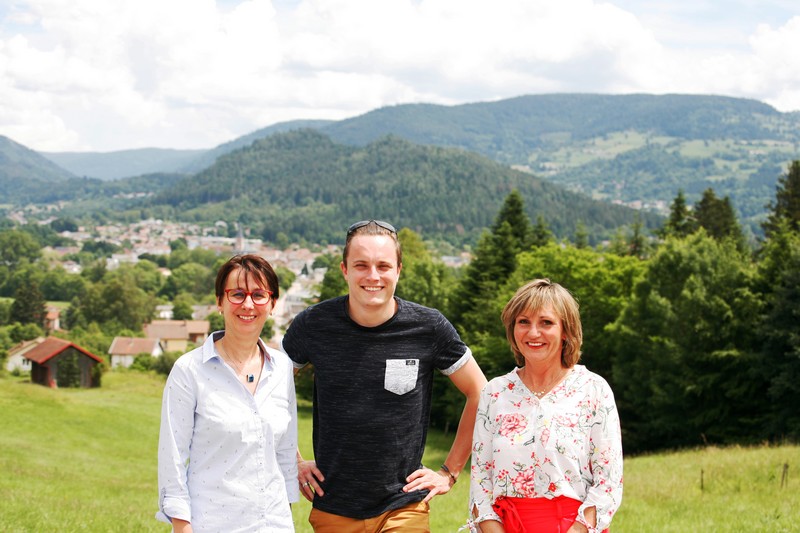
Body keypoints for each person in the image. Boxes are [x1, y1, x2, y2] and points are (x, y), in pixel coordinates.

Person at [281, 219, 487, 532]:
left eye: (383, 266)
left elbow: (482, 392)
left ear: (399, 270)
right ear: (344, 270)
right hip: (334, 506)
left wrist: (449, 471)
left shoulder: (428, 327)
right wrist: (293, 460)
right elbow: (268, 389)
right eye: (361, 265)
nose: (373, 276)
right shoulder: (313, 325)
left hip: (404, 505)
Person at [156, 254, 298, 532]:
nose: (248, 304)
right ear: (220, 302)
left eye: (259, 295)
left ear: (272, 304)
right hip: (212, 524)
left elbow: (284, 451)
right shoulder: (189, 370)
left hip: (274, 524)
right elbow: (172, 457)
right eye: (237, 294)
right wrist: (181, 525)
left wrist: (285, 516)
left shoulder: (281, 367)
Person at [469, 279, 623, 533]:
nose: (533, 333)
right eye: (523, 322)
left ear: (566, 330)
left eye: (546, 322)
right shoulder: (494, 393)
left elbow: (608, 483)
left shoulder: (593, 390)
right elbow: (480, 483)